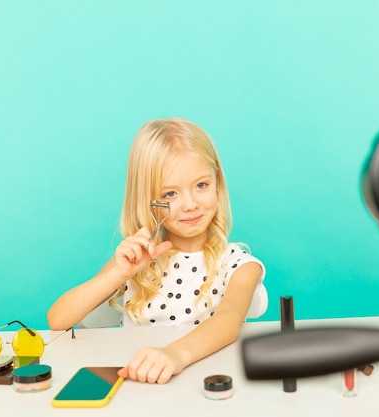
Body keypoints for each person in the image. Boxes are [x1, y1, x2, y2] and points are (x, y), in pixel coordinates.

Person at [47, 117, 266, 384]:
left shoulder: (239, 265)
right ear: (148, 200)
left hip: (204, 383)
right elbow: (58, 319)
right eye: (170, 194)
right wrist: (118, 274)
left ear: (217, 183)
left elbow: (228, 321)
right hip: (139, 387)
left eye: (201, 185)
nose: (190, 204)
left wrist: (174, 355)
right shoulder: (135, 262)